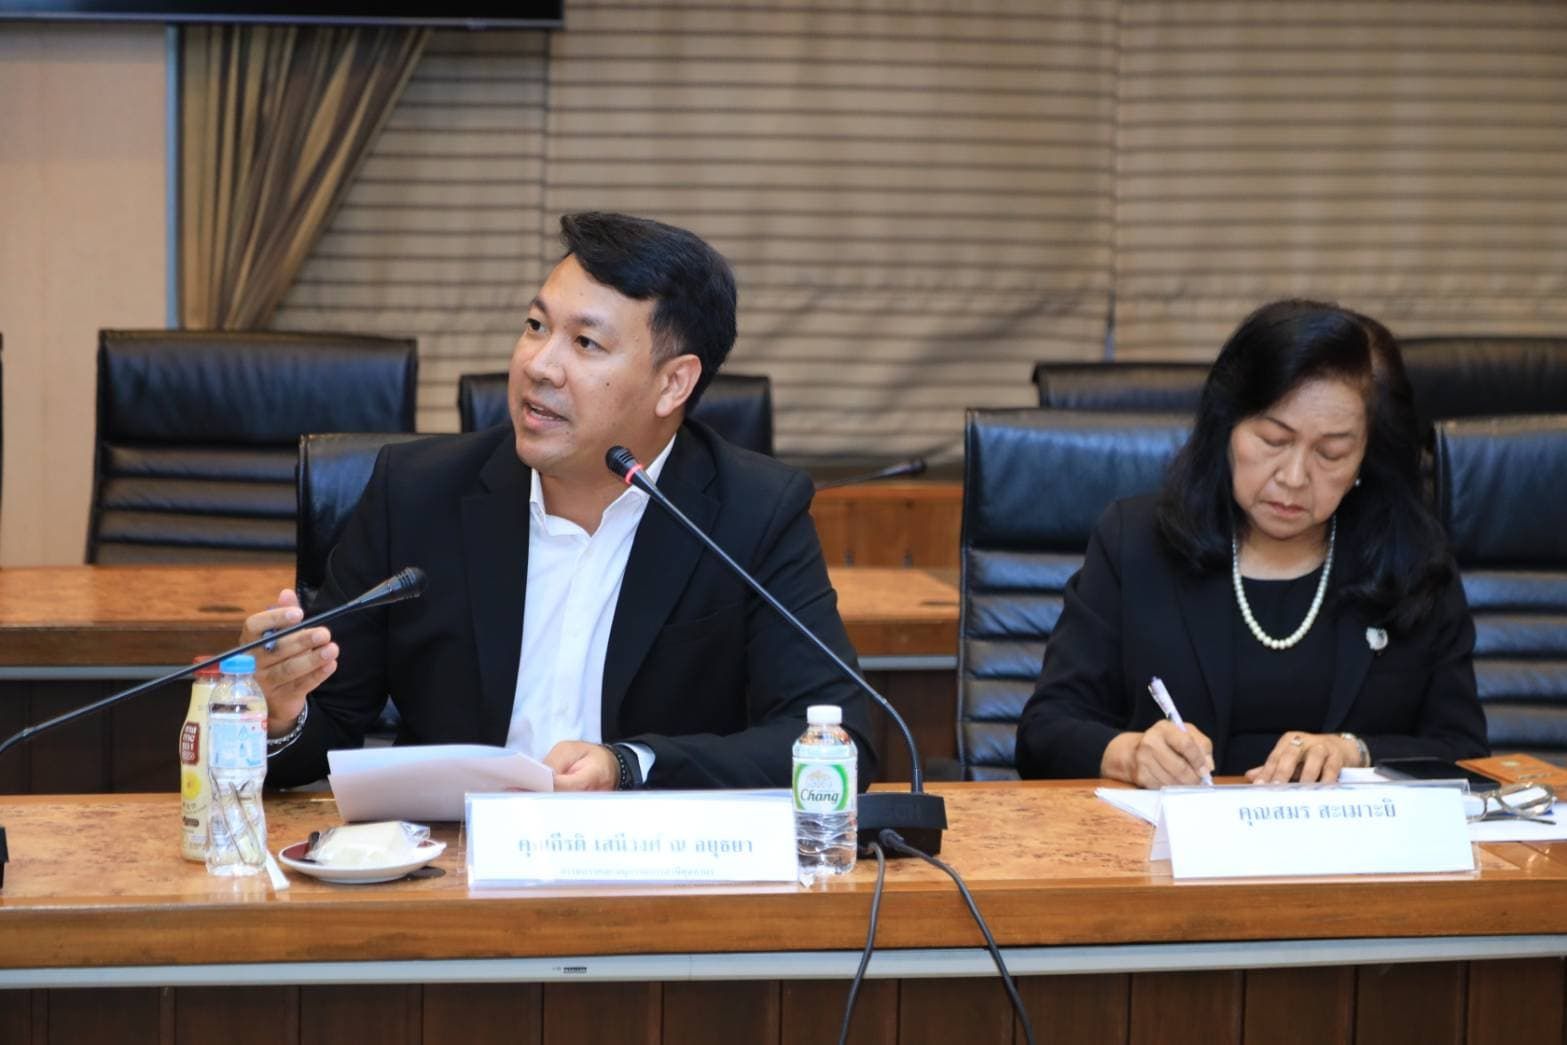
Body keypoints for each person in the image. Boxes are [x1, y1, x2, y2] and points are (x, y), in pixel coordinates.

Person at [248, 212, 877, 791]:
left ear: (673, 383)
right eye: (536, 326)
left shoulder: (752, 512)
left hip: (646, 860)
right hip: (452, 853)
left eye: (585, 344)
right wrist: (279, 712)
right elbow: (324, 726)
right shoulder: (416, 492)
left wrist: (629, 765)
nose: (539, 365)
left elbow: (836, 739)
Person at [1016, 299, 1488, 787]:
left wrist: (1356, 752)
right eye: (1273, 440)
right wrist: (1129, 755)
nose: (1294, 477)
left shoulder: (1410, 561)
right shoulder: (1136, 543)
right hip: (1168, 834)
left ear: (1366, 458)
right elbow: (1043, 733)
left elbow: (1466, 754)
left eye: (1331, 453)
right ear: (1228, 427)